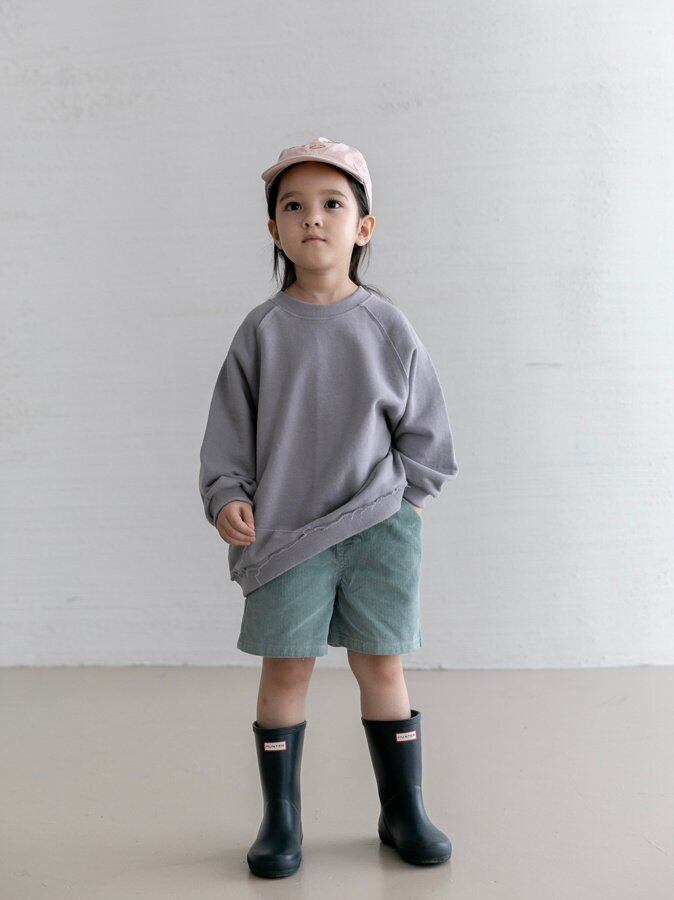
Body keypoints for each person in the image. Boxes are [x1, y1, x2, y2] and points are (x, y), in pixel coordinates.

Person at [198, 137, 459, 878]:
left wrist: (402, 505)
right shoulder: (261, 332)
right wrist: (228, 496)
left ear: (363, 227)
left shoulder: (388, 328)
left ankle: (402, 810)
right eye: (294, 206)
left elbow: (428, 436)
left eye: (332, 204)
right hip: (286, 536)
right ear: (274, 230)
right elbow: (227, 438)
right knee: (286, 672)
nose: (312, 218)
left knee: (382, 667)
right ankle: (280, 820)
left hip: (380, 531)